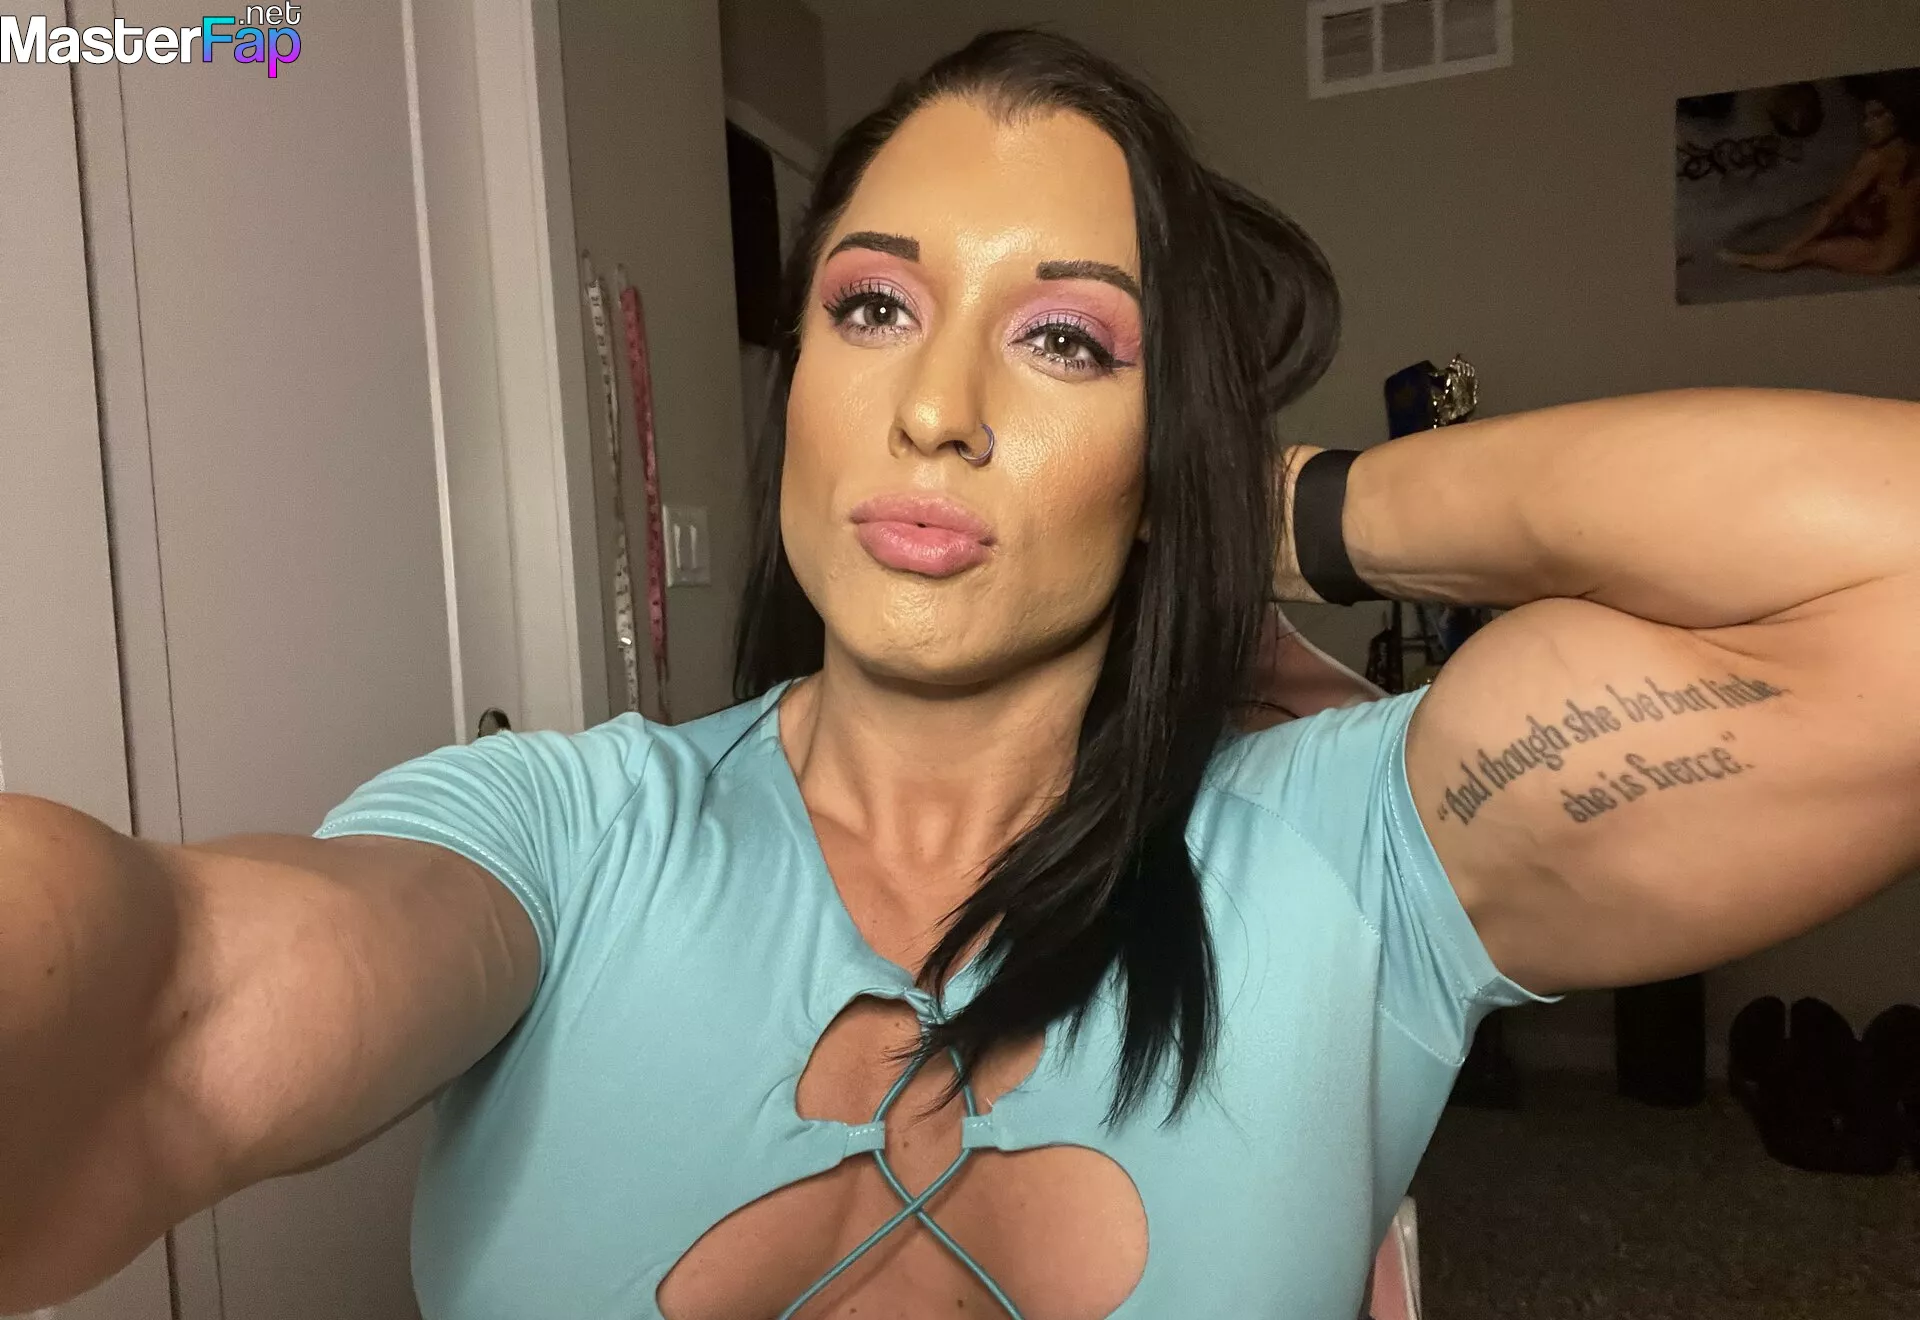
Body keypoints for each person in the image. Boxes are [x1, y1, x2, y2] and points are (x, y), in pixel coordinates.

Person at [3, 28, 1918, 1320]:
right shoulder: (562, 838)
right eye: (873, 306)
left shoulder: (1357, 859)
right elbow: (166, 1001)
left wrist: (1269, 505)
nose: (935, 405)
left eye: (1067, 341)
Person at [1720, 85, 1920, 278]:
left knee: (1810, 250)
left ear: (1895, 118)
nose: (1867, 125)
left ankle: (1747, 259)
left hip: (1886, 255)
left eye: (1876, 116)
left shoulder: (1875, 158)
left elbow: (1832, 209)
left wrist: (1794, 245)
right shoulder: (1912, 150)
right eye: (1866, 117)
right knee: (1856, 209)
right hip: (1911, 247)